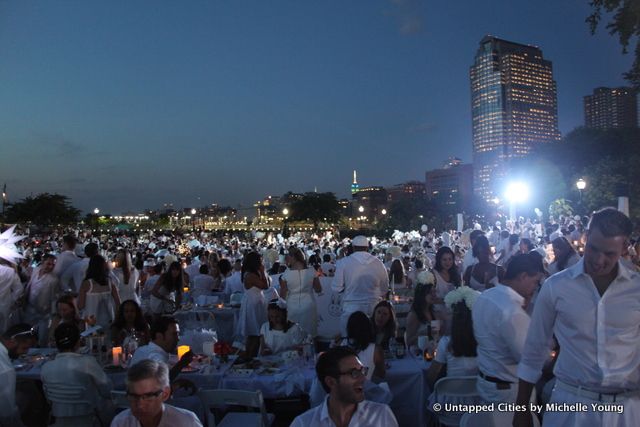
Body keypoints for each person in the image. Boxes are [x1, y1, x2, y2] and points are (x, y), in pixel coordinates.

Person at [514, 208, 640, 427]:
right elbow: (534, 350)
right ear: (586, 237)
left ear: (624, 246)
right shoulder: (556, 287)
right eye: (593, 249)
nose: (599, 260)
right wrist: (522, 410)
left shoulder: (637, 288)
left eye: (610, 254)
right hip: (571, 404)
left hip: (628, 408)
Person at [472, 253, 543, 403]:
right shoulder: (512, 311)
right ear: (523, 276)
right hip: (509, 392)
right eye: (535, 281)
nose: (535, 288)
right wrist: (549, 349)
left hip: (485, 383)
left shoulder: (484, 296)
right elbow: (528, 358)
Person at [290, 346, 398, 427]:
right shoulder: (303, 424)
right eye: (354, 373)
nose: (363, 379)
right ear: (331, 382)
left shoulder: (381, 415)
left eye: (362, 371)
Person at [41, 323, 112, 427]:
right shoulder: (88, 363)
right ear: (78, 342)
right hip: (89, 421)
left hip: (59, 422)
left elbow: (49, 400)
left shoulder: (45, 368)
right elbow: (108, 390)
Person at [111, 359, 202, 427]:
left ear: (165, 394)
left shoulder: (186, 422)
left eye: (148, 396)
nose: (140, 405)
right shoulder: (121, 423)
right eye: (134, 396)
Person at [332, 236, 389, 335]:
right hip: (373, 308)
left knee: (349, 340)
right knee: (371, 340)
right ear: (367, 248)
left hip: (351, 308)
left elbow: (336, 288)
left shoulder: (343, 262)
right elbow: (384, 289)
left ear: (353, 247)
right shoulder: (378, 263)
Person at [426, 286, 480, 388]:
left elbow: (432, 375)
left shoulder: (446, 342)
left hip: (450, 398)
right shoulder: (484, 342)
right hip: (478, 398)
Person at [130, 316, 194, 383]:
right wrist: (181, 363)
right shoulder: (156, 355)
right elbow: (161, 383)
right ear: (159, 336)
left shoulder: (142, 349)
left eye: (178, 334)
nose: (178, 339)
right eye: (174, 334)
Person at [279, 246, 321, 337]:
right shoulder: (311, 271)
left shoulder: (286, 274)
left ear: (293, 257)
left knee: (293, 335)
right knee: (310, 334)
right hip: (309, 305)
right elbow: (319, 289)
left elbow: (282, 295)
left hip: (292, 306)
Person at [0, 323, 36, 427]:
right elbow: (8, 413)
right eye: (24, 348)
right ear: (13, 341)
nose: (24, 353)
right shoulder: (6, 370)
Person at [22, 254, 60, 346]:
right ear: (43, 262)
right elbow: (29, 284)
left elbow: (54, 298)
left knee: (43, 338)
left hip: (44, 313)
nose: (50, 267)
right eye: (48, 264)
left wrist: (54, 314)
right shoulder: (35, 270)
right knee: (27, 335)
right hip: (29, 309)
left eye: (53, 265)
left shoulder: (53, 280)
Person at [78, 255, 121, 336]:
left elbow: (80, 305)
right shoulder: (110, 282)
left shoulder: (87, 284)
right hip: (109, 319)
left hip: (91, 320)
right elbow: (118, 303)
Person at [238, 252, 270, 358]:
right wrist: (262, 270)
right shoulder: (250, 275)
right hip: (253, 304)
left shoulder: (252, 273)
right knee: (255, 333)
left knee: (256, 332)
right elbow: (265, 286)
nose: (262, 262)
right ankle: (250, 356)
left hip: (256, 302)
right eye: (260, 260)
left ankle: (251, 356)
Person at [340, 311, 385, 381]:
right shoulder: (376, 349)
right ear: (369, 328)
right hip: (363, 389)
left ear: (349, 327)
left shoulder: (341, 345)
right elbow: (381, 374)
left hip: (345, 389)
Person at [432, 246, 461, 333]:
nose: (448, 262)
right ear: (439, 260)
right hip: (438, 316)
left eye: (450, 259)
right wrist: (448, 300)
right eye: (444, 259)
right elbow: (431, 299)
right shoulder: (433, 275)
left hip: (453, 316)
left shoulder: (455, 274)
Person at [405, 281, 438, 348]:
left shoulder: (433, 311)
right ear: (421, 295)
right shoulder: (414, 315)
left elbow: (436, 335)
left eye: (434, 292)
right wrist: (422, 334)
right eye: (430, 293)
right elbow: (408, 342)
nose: (434, 295)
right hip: (418, 353)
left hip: (431, 349)